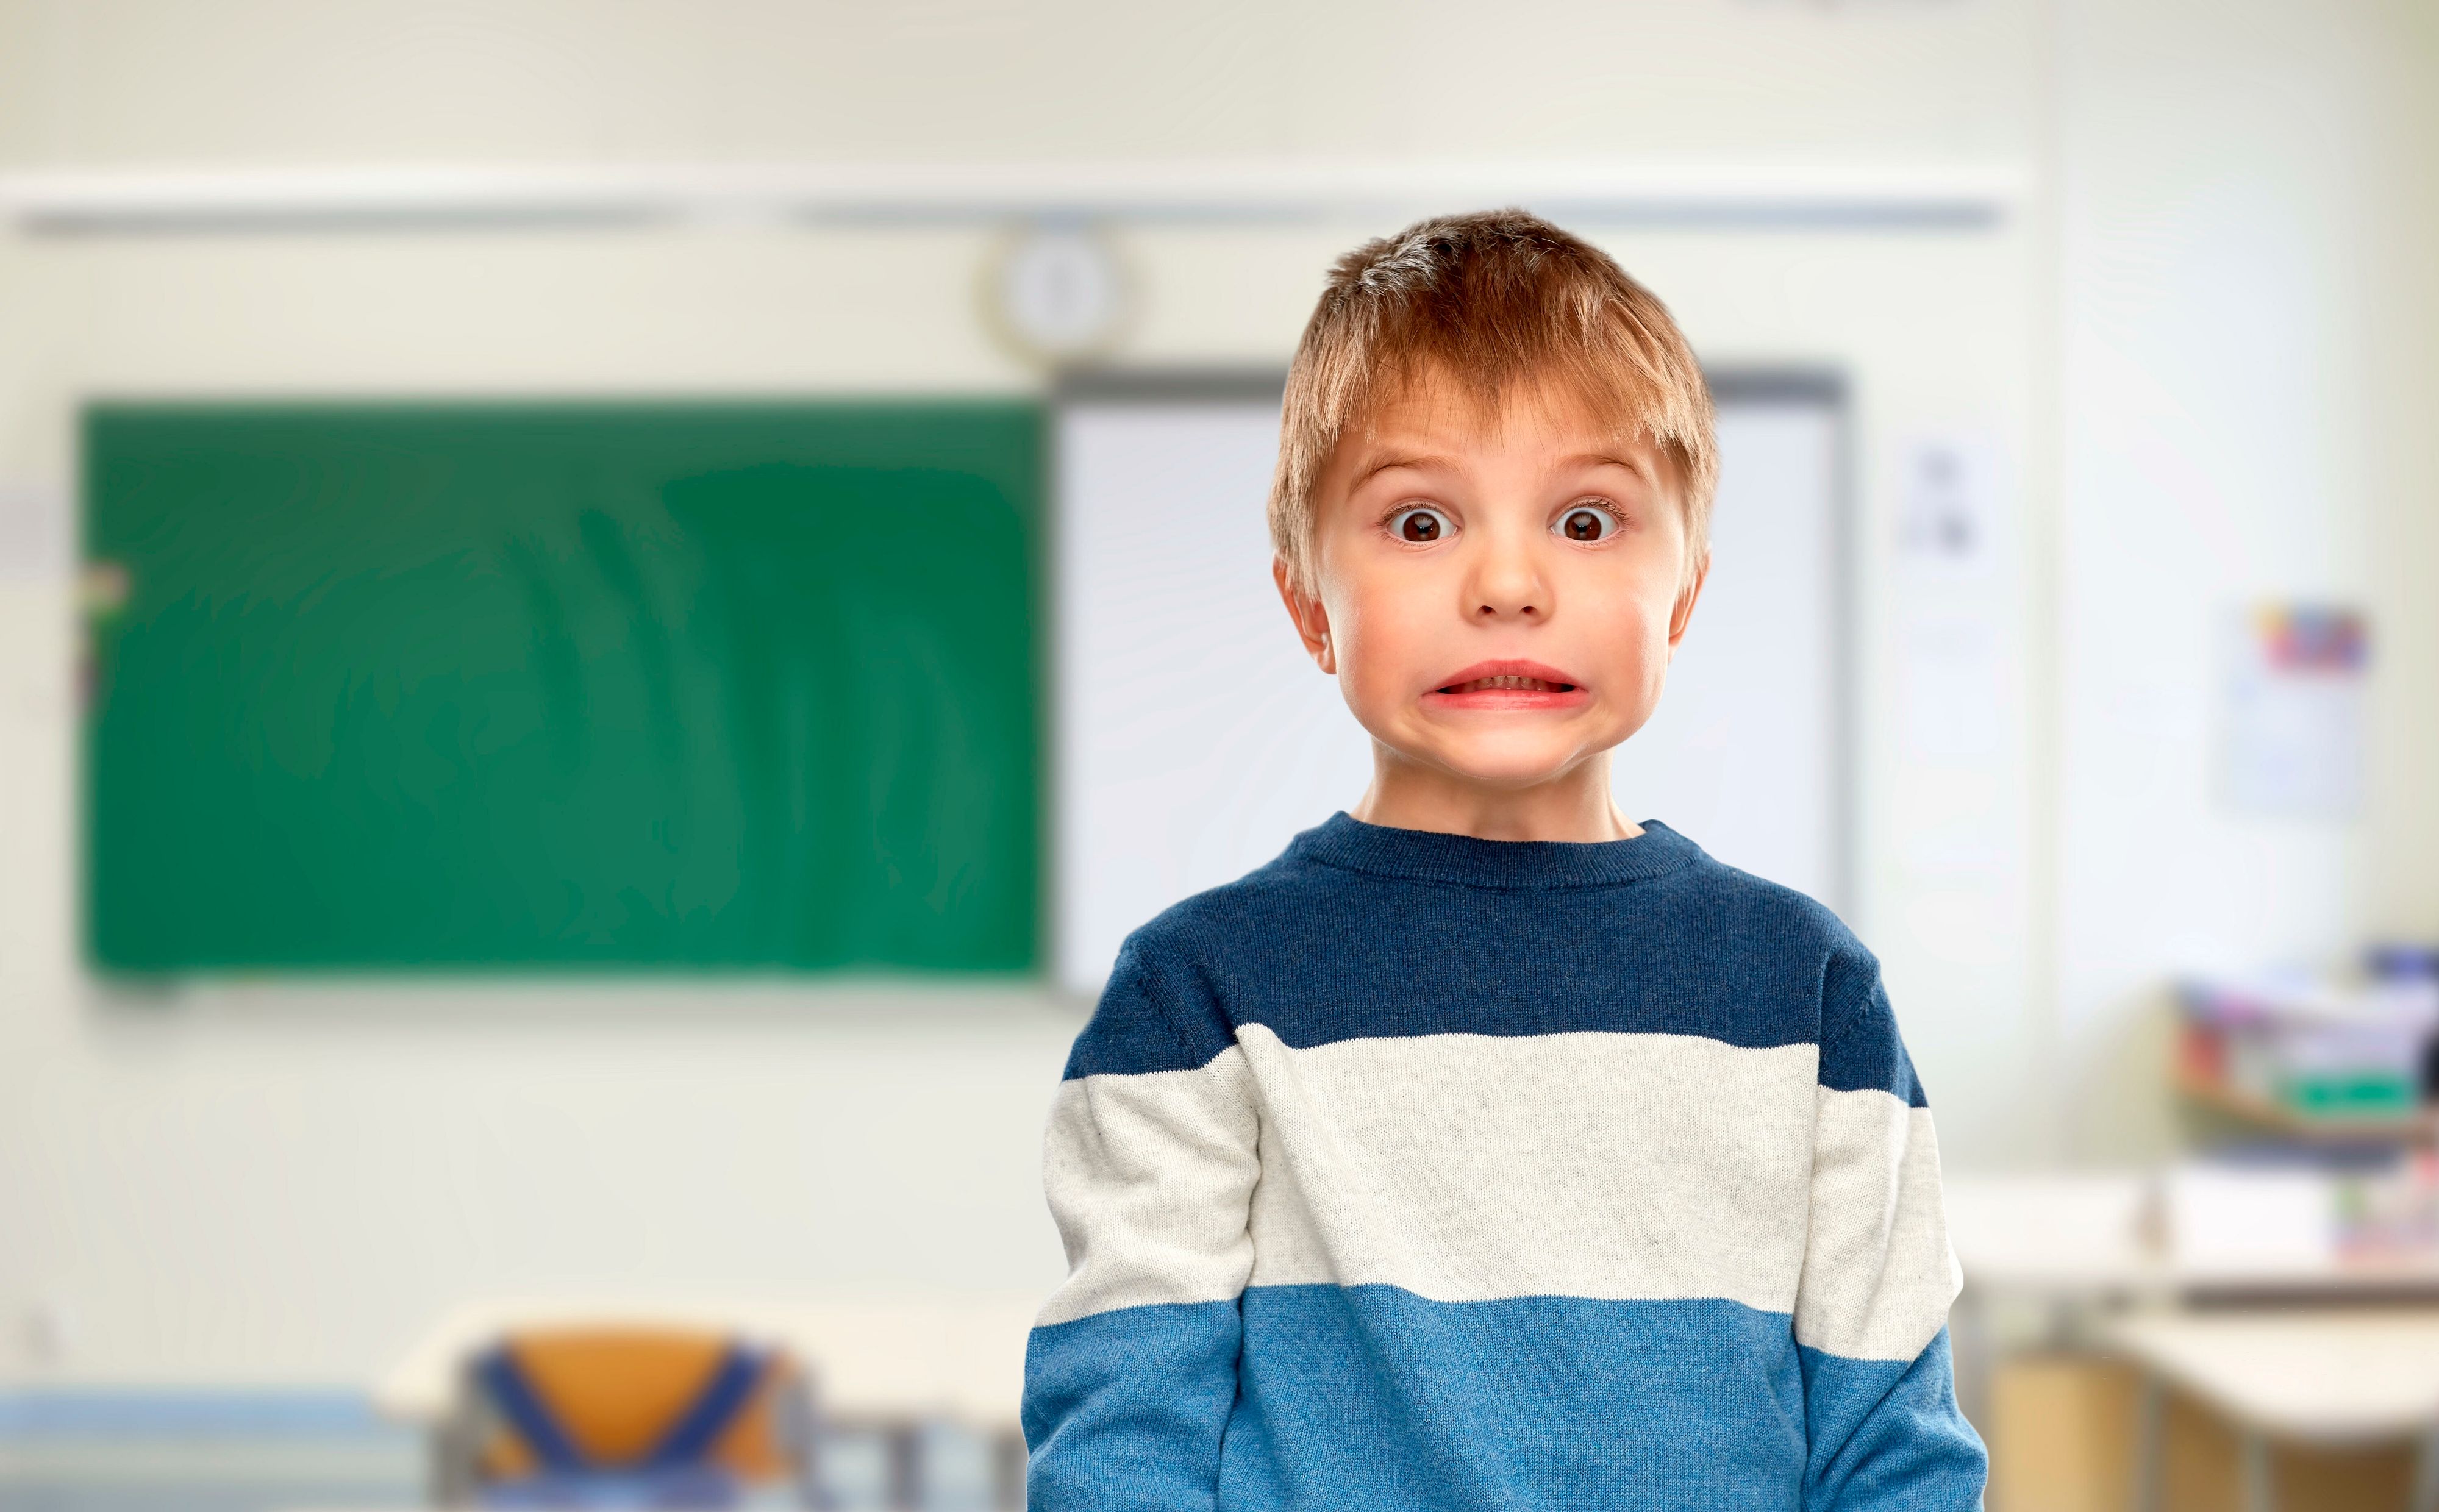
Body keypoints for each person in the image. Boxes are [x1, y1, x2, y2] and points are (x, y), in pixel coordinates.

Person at [1020, 209, 1987, 1511]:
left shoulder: (1805, 992)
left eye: (1586, 522)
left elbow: (1891, 1446)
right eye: (1419, 524)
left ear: (1682, 596)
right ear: (1310, 605)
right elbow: (1121, 1448)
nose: (1507, 582)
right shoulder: (1195, 991)